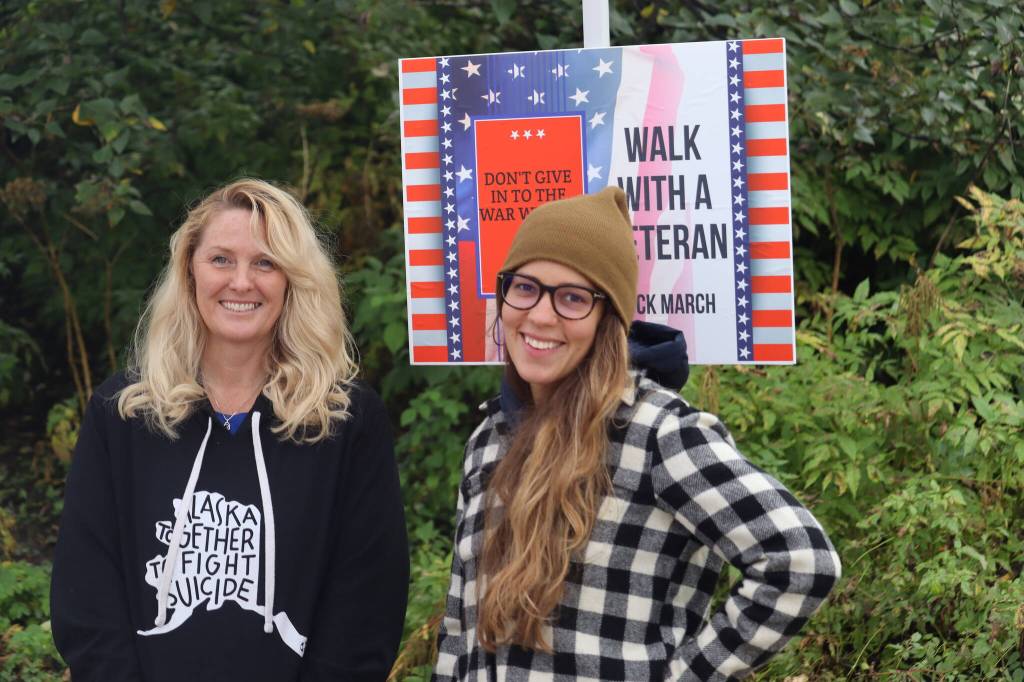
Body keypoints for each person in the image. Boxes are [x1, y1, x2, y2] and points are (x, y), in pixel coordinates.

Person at [432, 187, 841, 681]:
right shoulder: (489, 440)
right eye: (524, 287)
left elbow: (800, 561)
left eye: (572, 298)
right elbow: (458, 630)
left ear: (609, 320)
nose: (539, 314)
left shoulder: (658, 436)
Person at [51, 178, 409, 681]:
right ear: (189, 270)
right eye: (221, 259)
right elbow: (86, 589)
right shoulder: (124, 413)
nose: (241, 282)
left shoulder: (344, 420)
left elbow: (367, 602)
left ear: (292, 279)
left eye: (265, 263)